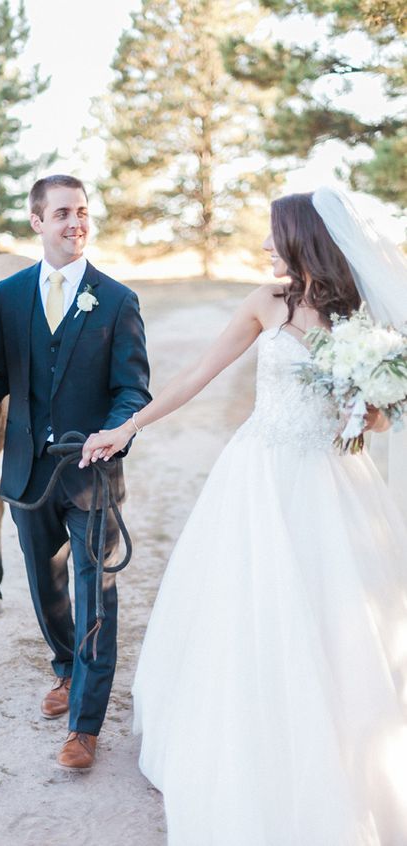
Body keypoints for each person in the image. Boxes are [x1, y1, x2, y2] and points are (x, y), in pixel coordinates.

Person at [80, 188, 407, 843]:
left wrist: (364, 408)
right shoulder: (266, 303)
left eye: (272, 233)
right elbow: (197, 375)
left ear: (301, 239)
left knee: (333, 612)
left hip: (331, 480)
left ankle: (337, 754)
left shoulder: (359, 318)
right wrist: (125, 428)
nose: (262, 244)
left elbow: (379, 416)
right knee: (251, 606)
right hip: (259, 476)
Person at [0, 174, 150, 770]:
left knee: (96, 595)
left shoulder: (118, 300)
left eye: (82, 212)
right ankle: (66, 667)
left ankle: (84, 725)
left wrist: (110, 436)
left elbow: (132, 391)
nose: (76, 223)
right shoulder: (11, 296)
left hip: (93, 477)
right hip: (28, 476)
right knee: (46, 586)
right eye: (62, 213)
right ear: (37, 222)